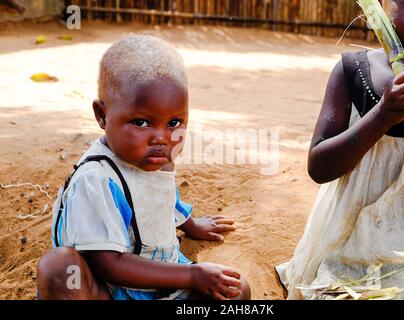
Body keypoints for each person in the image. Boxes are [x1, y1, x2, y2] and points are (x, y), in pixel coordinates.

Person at [36, 35, 251, 300]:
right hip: (109, 289)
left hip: (163, 277)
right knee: (58, 268)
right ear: (102, 115)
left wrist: (191, 225)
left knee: (236, 292)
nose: (161, 137)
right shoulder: (96, 179)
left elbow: (158, 198)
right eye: (141, 123)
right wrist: (192, 276)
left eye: (174, 122)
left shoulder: (158, 157)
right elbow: (109, 264)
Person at [276, 0, 404, 300]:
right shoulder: (354, 72)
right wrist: (382, 115)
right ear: (383, 5)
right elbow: (319, 167)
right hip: (353, 244)